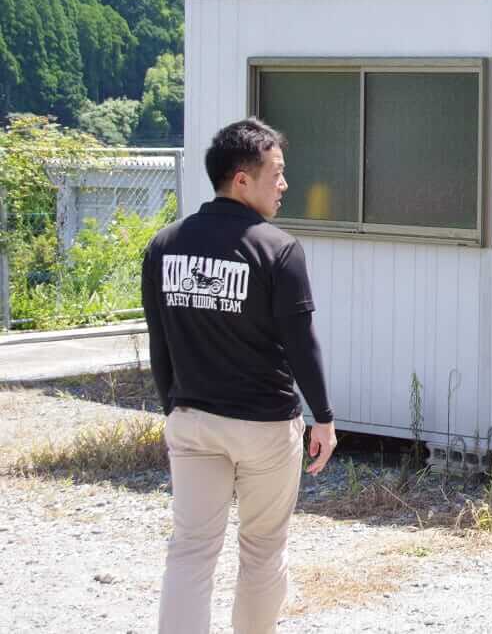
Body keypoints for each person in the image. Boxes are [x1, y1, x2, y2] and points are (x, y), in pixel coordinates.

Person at [143, 118, 338, 634]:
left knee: (190, 549)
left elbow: (160, 341)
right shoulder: (277, 248)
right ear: (242, 179)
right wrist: (323, 417)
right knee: (263, 548)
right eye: (276, 173)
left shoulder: (164, 245)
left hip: (193, 420)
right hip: (264, 426)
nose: (284, 184)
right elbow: (301, 342)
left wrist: (173, 406)